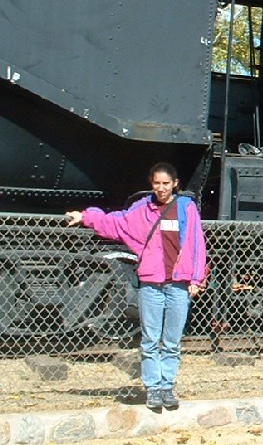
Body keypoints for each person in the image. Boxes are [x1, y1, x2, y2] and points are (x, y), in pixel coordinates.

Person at [65, 162, 207, 410]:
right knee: (150, 339)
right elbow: (117, 223)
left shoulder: (186, 208)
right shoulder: (143, 209)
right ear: (151, 184)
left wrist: (196, 278)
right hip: (151, 283)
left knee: (172, 342)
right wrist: (85, 216)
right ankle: (153, 388)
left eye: (165, 183)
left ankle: (167, 386)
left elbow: (197, 242)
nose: (161, 188)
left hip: (178, 284)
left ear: (175, 184)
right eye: (156, 183)